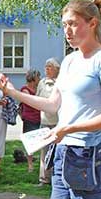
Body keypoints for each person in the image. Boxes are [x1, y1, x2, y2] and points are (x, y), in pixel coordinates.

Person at [0, 0, 101, 199]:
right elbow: (52, 104)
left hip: (88, 156)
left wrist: (68, 128)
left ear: (92, 23)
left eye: (73, 24)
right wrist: (11, 92)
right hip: (63, 152)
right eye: (64, 24)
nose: (67, 30)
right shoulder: (69, 61)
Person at [36, 58, 60, 186]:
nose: (47, 69)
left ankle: (57, 177)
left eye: (50, 66)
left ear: (56, 69)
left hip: (58, 121)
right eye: (46, 66)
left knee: (58, 150)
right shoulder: (42, 83)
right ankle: (44, 178)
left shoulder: (61, 82)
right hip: (44, 121)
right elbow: (38, 98)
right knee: (44, 151)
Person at [19, 69, 41, 172]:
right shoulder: (25, 90)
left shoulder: (39, 89)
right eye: (38, 77)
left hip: (40, 117)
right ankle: (30, 165)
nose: (39, 79)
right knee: (30, 142)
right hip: (29, 118)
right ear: (33, 78)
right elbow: (30, 102)